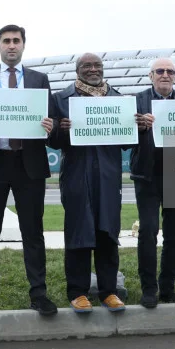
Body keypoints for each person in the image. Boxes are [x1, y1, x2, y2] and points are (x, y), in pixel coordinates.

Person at [0, 24, 58, 320]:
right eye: (6, 41)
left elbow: (51, 116)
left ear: (24, 45)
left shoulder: (39, 79)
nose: (12, 45)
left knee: (33, 232)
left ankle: (38, 293)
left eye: (16, 41)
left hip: (28, 162)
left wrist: (50, 124)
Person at [49, 53, 129, 313]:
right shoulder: (61, 99)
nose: (93, 69)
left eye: (97, 65)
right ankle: (78, 292)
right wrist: (61, 129)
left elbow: (127, 142)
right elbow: (51, 140)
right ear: (77, 70)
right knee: (78, 232)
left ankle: (108, 291)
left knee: (108, 231)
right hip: (76, 175)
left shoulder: (118, 100)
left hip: (108, 176)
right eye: (87, 66)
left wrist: (137, 126)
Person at [129, 57, 175, 307]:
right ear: (150, 75)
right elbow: (124, 138)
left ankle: (167, 288)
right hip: (147, 176)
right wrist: (140, 128)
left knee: (174, 235)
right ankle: (148, 289)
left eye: (170, 71)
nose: (165, 75)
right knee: (148, 231)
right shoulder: (136, 102)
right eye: (160, 71)